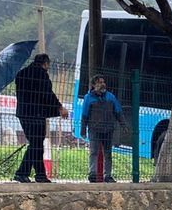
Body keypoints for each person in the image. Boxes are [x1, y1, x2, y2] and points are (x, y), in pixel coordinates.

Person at [13, 53, 68, 183]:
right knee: (36, 143)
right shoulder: (41, 74)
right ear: (46, 63)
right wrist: (59, 107)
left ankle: (40, 174)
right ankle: (22, 172)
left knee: (36, 143)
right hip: (36, 113)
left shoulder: (21, 73)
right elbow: (47, 93)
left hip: (23, 113)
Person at [81, 74, 127, 183]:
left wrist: (123, 125)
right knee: (94, 152)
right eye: (99, 82)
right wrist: (83, 130)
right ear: (94, 85)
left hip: (108, 129)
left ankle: (108, 176)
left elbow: (118, 111)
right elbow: (84, 114)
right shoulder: (88, 98)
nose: (103, 84)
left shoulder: (110, 97)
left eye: (103, 82)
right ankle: (92, 174)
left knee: (108, 153)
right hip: (94, 130)